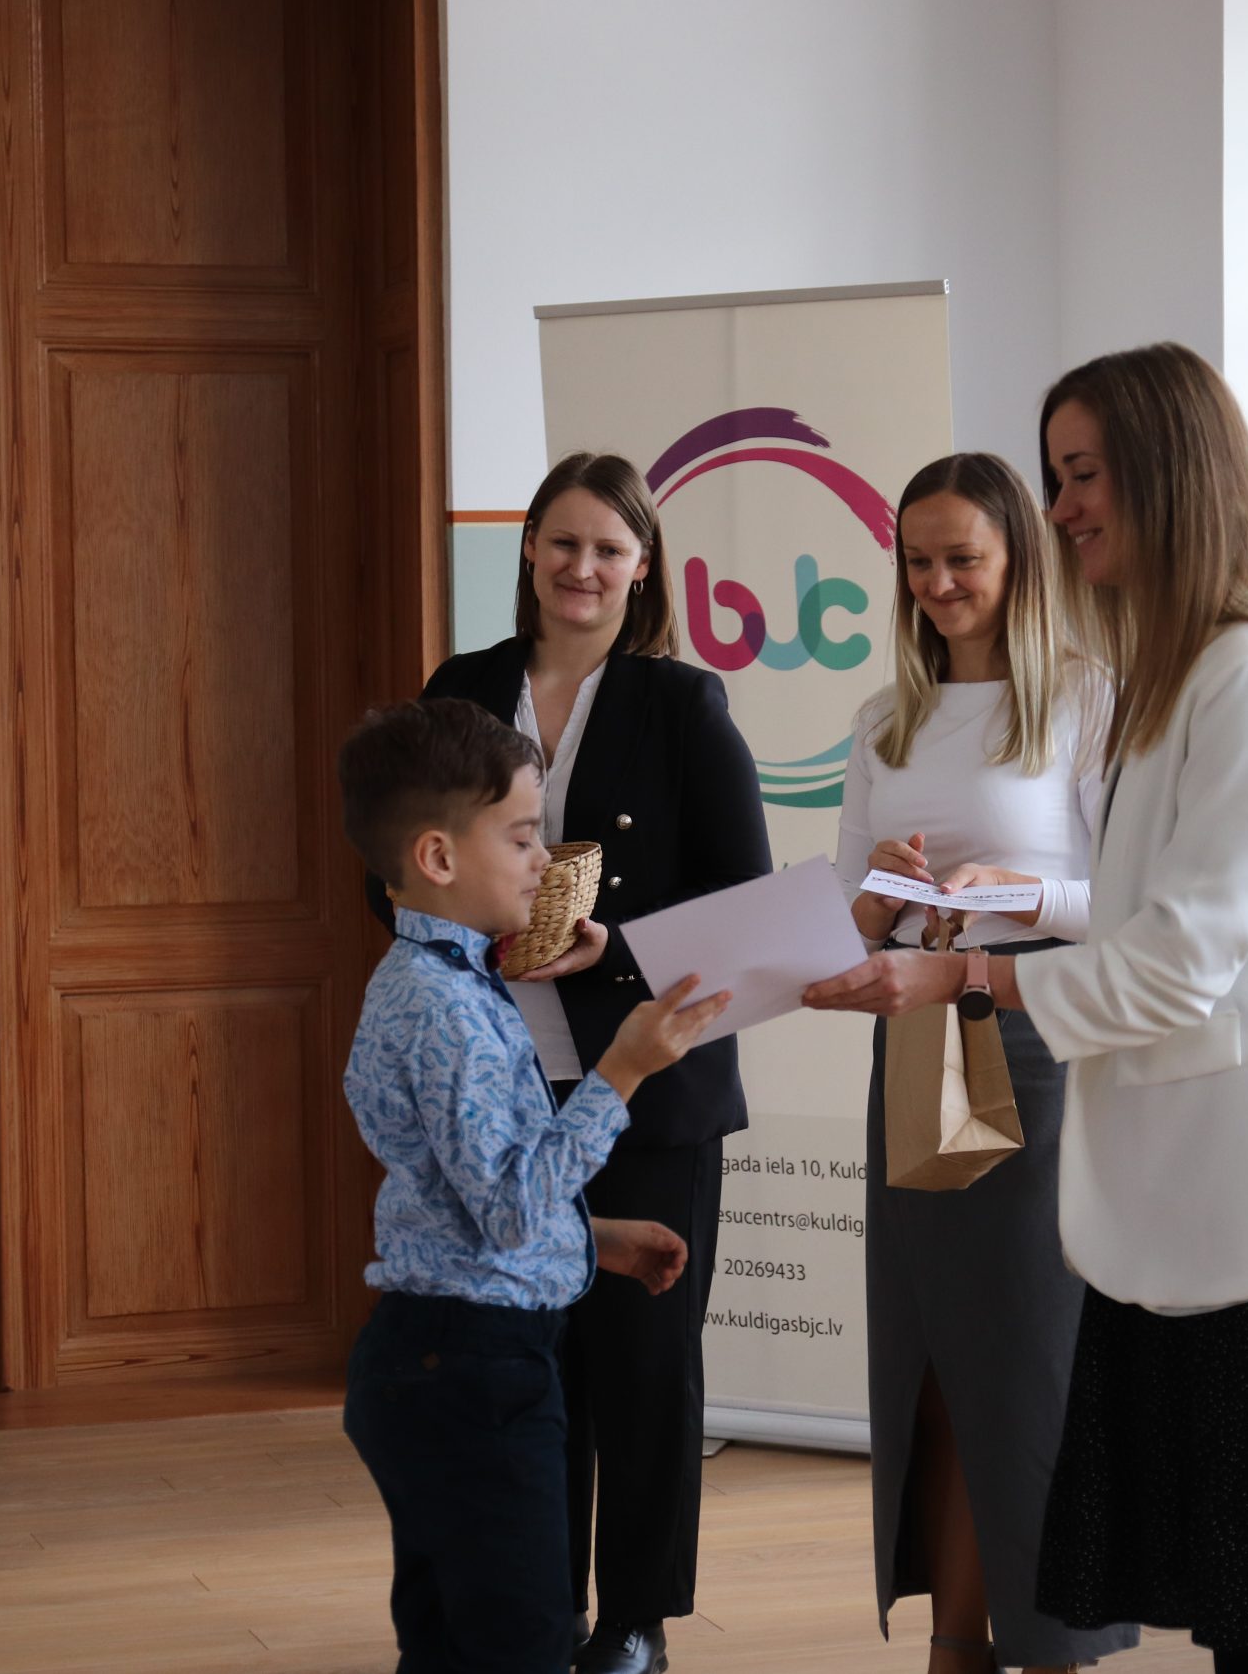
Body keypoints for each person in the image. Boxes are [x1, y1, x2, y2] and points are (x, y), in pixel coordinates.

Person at [805, 343, 1248, 1674]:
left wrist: (967, 969)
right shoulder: (1179, 675)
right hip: (1198, 1209)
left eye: (1082, 474)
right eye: (1057, 477)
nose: (1064, 507)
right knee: (1241, 1606)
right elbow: (1145, 923)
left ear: (1170, 471)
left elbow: (1175, 959)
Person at [373, 452, 771, 1674]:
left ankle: (637, 1621)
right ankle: (530, 1609)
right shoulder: (463, 686)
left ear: (642, 567)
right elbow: (395, 861)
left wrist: (613, 950)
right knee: (521, 1362)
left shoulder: (684, 705)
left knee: (642, 1371)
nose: (581, 568)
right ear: (528, 550)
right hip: (494, 1071)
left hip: (649, 1082)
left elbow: (746, 902)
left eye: (607, 548)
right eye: (562, 542)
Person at [336, 696, 731, 1673]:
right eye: (520, 837)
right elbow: (509, 1209)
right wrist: (623, 1069)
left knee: (450, 1640)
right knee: (520, 1643)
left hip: (439, 1353)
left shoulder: (434, 981)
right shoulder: (449, 1011)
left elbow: (460, 1191)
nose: (544, 862)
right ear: (437, 857)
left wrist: (594, 1237)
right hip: (476, 1368)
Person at [832, 454, 1136, 1674]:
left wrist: (1015, 890)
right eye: (917, 561)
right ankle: (955, 1642)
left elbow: (1131, 905)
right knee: (929, 1357)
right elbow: (847, 915)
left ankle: (1054, 1647)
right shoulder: (883, 719)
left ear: (1020, 558)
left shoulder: (1087, 700)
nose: (938, 583)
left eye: (963, 558)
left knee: (1032, 1361)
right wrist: (878, 897)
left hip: (1035, 1035)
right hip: (914, 1037)